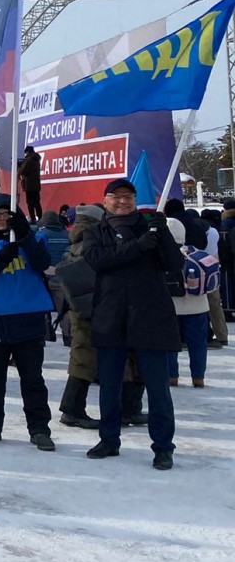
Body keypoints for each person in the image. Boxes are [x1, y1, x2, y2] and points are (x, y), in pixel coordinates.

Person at [82, 178, 182, 470]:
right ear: (105, 201)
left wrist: (163, 236)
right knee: (110, 385)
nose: (122, 201)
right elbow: (100, 261)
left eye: (128, 196)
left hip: (150, 316)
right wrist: (139, 246)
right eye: (116, 196)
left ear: (135, 200)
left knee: (158, 388)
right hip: (111, 316)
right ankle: (109, 439)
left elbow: (175, 265)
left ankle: (163, 446)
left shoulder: (151, 227)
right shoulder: (94, 232)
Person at [0, 196, 54, 450]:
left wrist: (25, 236)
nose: (3, 219)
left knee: (33, 379)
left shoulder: (35, 239)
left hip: (28, 319)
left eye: (8, 214)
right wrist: (0, 259)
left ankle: (39, 428)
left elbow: (42, 263)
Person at [51, 205, 105, 428]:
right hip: (88, 309)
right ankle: (72, 408)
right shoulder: (89, 242)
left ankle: (72, 407)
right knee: (83, 359)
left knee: (83, 357)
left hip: (77, 307)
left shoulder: (76, 239)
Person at [163, 217, 211, 388]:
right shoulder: (196, 253)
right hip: (198, 306)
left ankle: (171, 376)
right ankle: (198, 377)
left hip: (170, 307)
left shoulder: (162, 256)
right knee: (198, 344)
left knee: (169, 344)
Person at [18, 146, 43, 223]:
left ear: (27, 152)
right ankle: (40, 217)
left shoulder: (29, 160)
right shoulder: (36, 159)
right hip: (36, 185)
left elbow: (24, 171)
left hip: (29, 185)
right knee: (37, 202)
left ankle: (33, 219)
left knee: (30, 203)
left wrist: (20, 166)